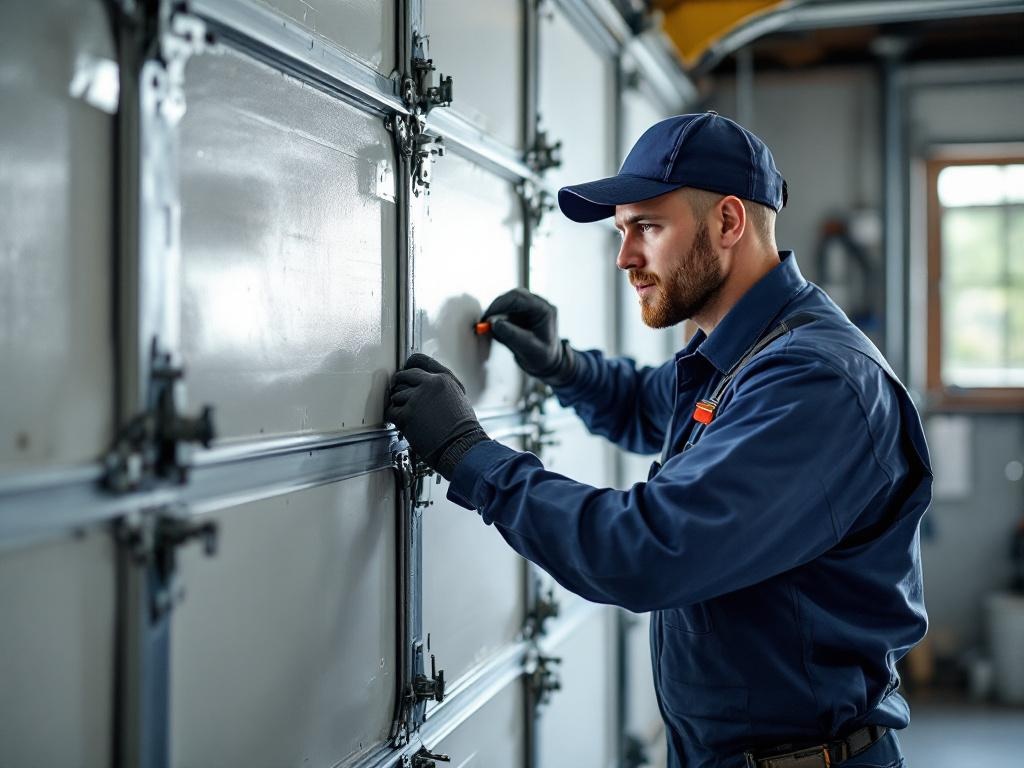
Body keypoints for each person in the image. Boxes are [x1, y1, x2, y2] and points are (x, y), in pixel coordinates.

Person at [386, 112, 930, 768]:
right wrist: (562, 365)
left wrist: (467, 455)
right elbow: (655, 406)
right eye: (622, 232)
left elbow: (648, 551)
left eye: (647, 227)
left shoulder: (815, 381)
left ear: (728, 222)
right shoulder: (743, 355)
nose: (625, 258)